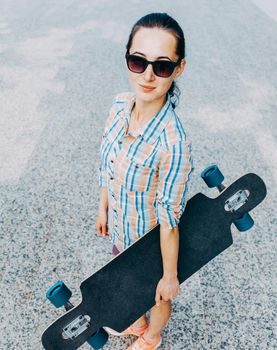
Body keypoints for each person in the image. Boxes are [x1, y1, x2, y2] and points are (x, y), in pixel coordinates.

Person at [96, 12, 194, 350]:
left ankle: (152, 336)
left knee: (156, 296)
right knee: (124, 279)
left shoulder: (173, 144)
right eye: (138, 61)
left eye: (162, 66)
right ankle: (135, 321)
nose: (148, 75)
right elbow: (107, 163)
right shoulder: (120, 105)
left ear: (179, 68)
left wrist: (169, 276)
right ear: (128, 59)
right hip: (122, 229)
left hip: (151, 244)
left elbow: (169, 218)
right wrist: (102, 208)